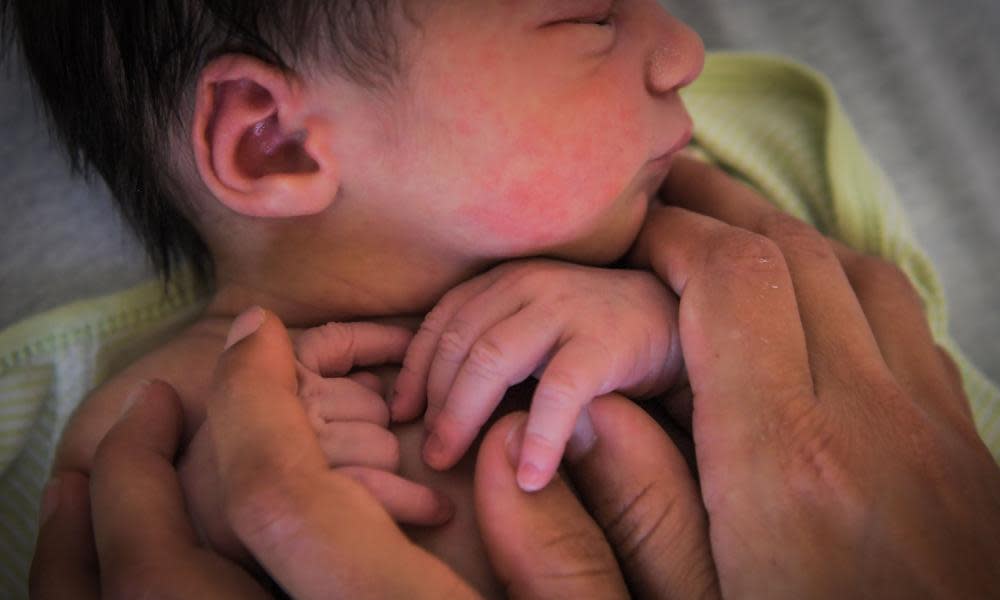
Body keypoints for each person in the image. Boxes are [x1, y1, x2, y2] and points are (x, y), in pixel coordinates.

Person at [4, 0, 999, 594]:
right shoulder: (148, 418)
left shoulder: (719, 206)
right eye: (592, 17)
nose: (683, 49)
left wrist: (671, 333)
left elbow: (908, 426)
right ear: (274, 140)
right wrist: (217, 508)